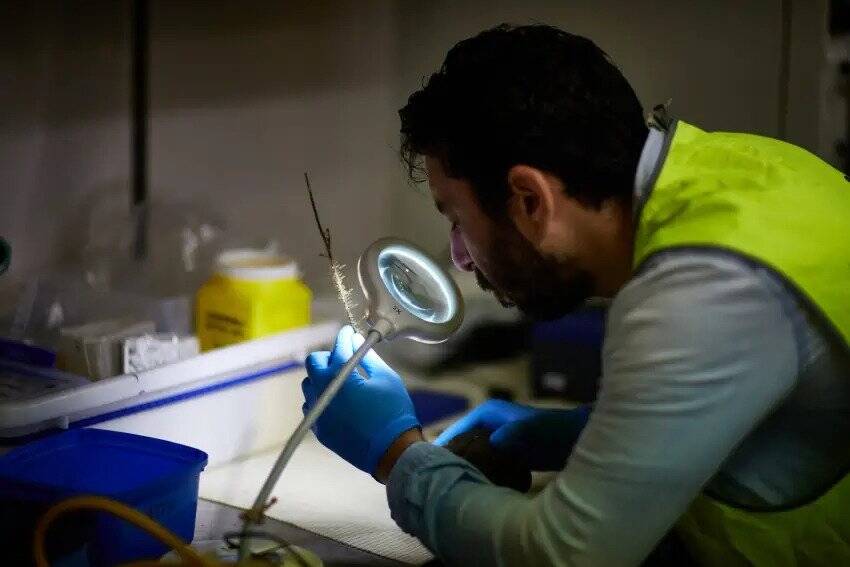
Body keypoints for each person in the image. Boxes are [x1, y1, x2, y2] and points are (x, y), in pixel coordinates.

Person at [301, 24, 850, 566]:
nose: (460, 257)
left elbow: (564, 555)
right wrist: (577, 433)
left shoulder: (705, 289)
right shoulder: (746, 175)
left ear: (530, 200)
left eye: (457, 220)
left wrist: (396, 455)